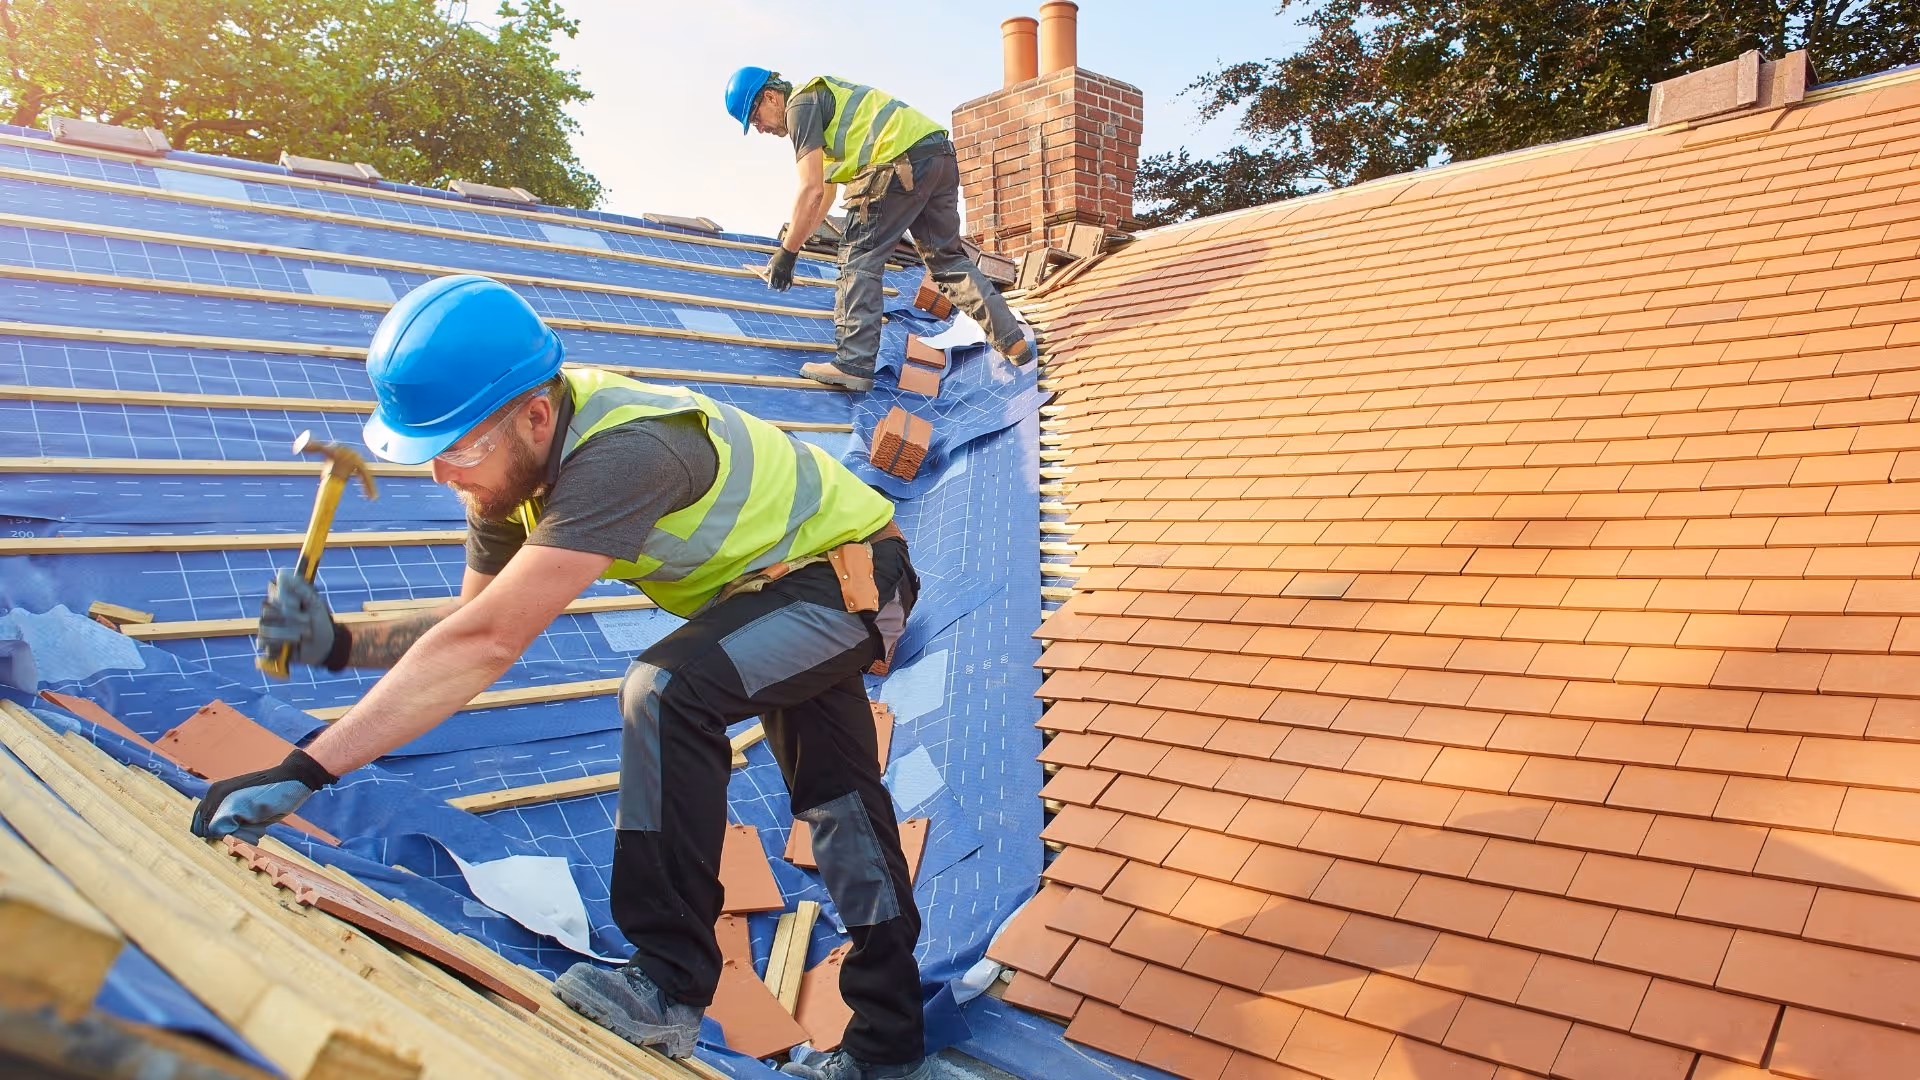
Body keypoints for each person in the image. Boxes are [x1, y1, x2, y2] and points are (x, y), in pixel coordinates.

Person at [190, 275, 933, 1080]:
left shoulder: (626, 455)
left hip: (855, 580)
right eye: (429, 452)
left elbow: (486, 643)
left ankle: (667, 982)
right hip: (777, 591)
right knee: (840, 804)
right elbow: (465, 629)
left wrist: (307, 768)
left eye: (460, 448)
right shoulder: (505, 477)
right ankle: (889, 1045)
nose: (444, 474)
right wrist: (341, 642)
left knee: (666, 691)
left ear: (536, 416)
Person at [724, 66, 1031, 392]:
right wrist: (795, 246)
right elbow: (823, 194)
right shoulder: (825, 110)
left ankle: (853, 363)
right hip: (937, 157)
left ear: (771, 96)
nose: (759, 129)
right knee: (947, 262)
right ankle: (1013, 341)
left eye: (755, 117)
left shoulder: (800, 106)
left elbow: (809, 188)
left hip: (896, 163)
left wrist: (786, 254)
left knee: (858, 258)